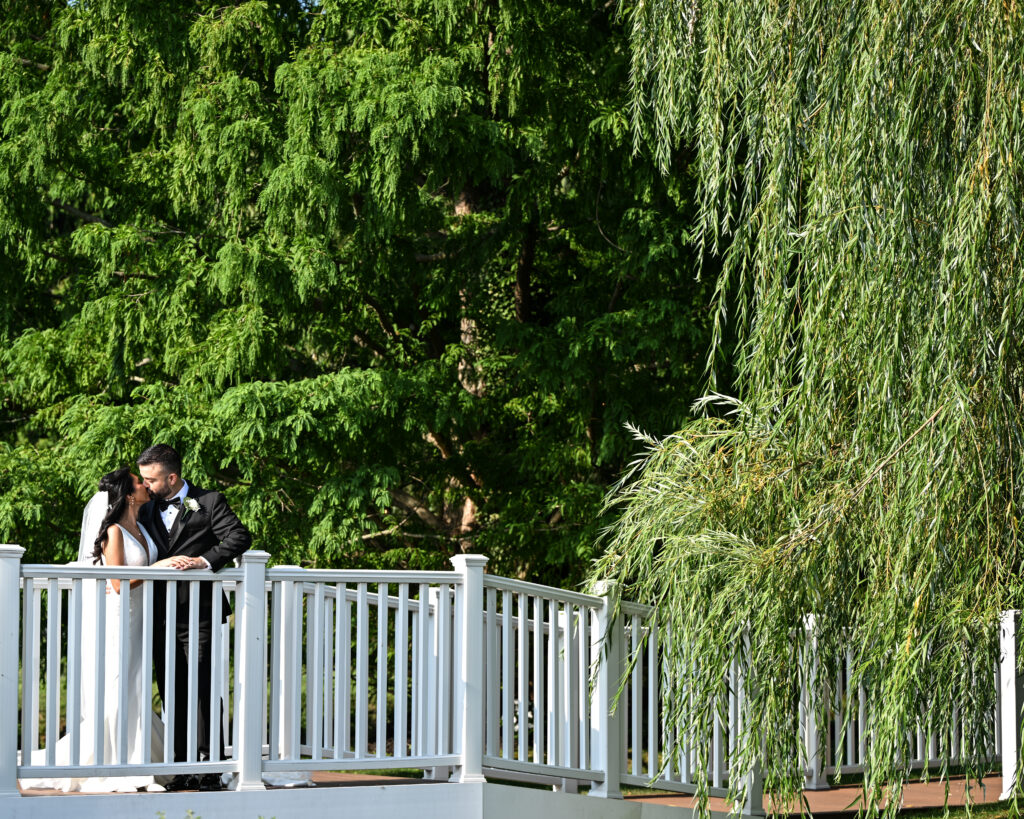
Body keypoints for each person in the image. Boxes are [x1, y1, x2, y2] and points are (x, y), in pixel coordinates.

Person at [21, 468, 189, 793]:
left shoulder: (141, 526)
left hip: (140, 618)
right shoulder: (113, 531)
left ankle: (140, 760)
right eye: (139, 482)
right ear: (128, 494)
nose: (145, 484)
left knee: (135, 688)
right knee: (118, 687)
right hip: (119, 618)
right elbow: (117, 582)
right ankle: (117, 765)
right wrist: (157, 569)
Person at [136, 444, 251, 792]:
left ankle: (210, 765)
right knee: (170, 687)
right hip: (159, 612)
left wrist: (204, 561)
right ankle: (181, 765)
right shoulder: (145, 507)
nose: (145, 485)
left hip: (199, 611)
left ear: (172, 477)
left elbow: (239, 536)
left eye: (151, 480)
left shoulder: (209, 501)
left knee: (201, 686)